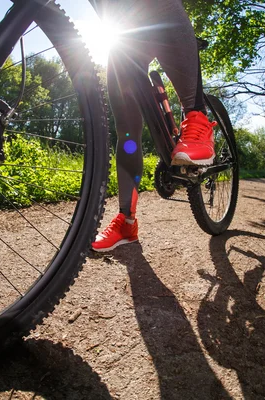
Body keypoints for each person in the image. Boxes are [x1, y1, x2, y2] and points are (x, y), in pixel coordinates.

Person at [89, 0, 217, 252]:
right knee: (126, 129)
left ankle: (197, 116)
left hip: (152, 15)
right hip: (123, 32)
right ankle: (126, 222)